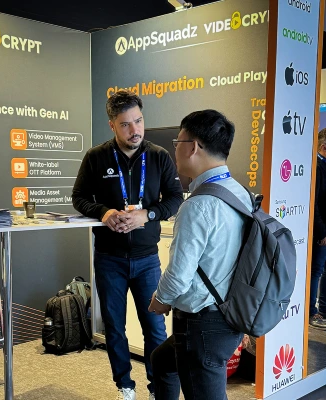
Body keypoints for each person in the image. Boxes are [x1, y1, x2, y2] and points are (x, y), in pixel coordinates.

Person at [72, 90, 183, 400]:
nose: (135, 130)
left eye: (139, 121)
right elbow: (79, 197)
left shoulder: (159, 156)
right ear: (112, 125)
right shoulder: (96, 157)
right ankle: (125, 386)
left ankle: (157, 388)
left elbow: (174, 199)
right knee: (115, 327)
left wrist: (148, 214)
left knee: (155, 328)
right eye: (125, 124)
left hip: (147, 259)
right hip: (109, 258)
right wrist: (103, 212)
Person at [148, 109, 251, 400]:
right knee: (162, 361)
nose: (175, 150)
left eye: (177, 142)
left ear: (192, 147)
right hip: (231, 312)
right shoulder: (239, 192)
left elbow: (179, 276)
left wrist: (160, 300)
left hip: (204, 323)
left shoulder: (197, 205)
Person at [309, 128, 326, 329]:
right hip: (321, 232)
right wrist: (322, 232)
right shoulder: (317, 168)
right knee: (316, 271)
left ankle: (323, 310)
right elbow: (314, 203)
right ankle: (312, 313)